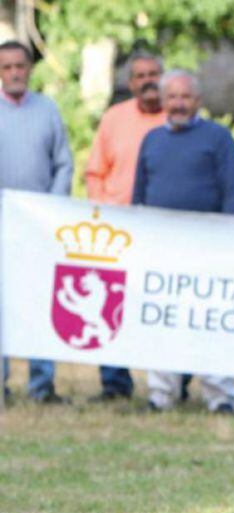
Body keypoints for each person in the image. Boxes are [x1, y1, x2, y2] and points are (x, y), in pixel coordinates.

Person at [132, 70, 234, 414]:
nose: (178, 104)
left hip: (208, 247)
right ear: (163, 101)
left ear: (197, 100)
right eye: (172, 97)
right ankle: (161, 393)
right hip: (161, 247)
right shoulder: (151, 139)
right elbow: (139, 194)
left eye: (185, 97)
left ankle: (220, 394)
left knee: (210, 319)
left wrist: (229, 239)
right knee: (162, 317)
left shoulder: (218, 137)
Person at [84, 50, 166, 402]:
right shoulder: (114, 118)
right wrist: (105, 212)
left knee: (159, 304)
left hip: (162, 230)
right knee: (111, 305)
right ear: (130, 83)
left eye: (153, 74)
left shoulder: (176, 115)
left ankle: (168, 383)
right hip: (117, 232)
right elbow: (94, 172)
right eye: (140, 75)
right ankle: (115, 382)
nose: (148, 81)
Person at [0, 40, 73, 404]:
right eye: (7, 67)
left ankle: (42, 384)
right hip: (1, 227)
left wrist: (53, 208)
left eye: (20, 66)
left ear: (30, 69)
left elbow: (63, 162)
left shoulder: (48, 110)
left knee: (41, 302)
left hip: (40, 227)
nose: (14, 72)